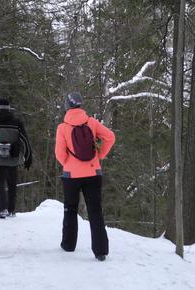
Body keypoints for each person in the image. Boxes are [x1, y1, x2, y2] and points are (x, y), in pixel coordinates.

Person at [54, 91, 116, 261]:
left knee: (70, 209)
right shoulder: (92, 122)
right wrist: (100, 155)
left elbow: (59, 154)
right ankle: (101, 250)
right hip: (93, 172)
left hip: (71, 175)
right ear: (80, 105)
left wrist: (68, 163)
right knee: (95, 211)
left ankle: (68, 244)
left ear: (67, 105)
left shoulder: (63, 127)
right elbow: (110, 137)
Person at [0, 98, 32, 219]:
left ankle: (2, 209)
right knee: (12, 184)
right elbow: (25, 141)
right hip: (13, 159)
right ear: (9, 108)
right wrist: (28, 157)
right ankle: (11, 209)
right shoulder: (17, 122)